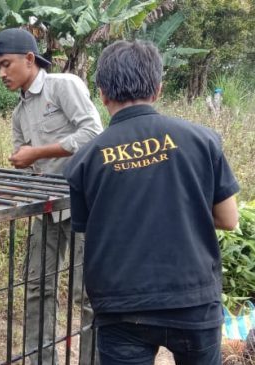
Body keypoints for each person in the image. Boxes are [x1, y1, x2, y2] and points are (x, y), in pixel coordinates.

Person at [64, 40, 240, 364]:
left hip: (121, 306)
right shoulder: (203, 140)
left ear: (101, 93)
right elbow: (229, 219)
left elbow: (93, 225)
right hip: (193, 299)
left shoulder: (84, 161)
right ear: (158, 90)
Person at [0, 28, 103, 364]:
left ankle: (91, 359)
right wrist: (8, 180)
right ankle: (40, 359)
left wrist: (37, 152)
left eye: (6, 64)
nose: (2, 73)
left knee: (88, 292)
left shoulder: (63, 85)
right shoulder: (19, 113)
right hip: (48, 206)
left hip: (85, 202)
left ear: (29, 59)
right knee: (38, 286)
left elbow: (93, 133)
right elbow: (24, 162)